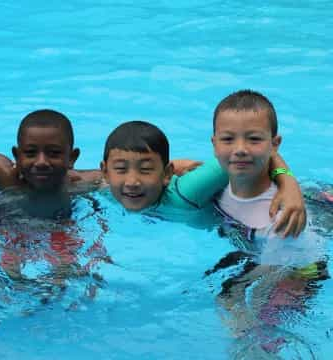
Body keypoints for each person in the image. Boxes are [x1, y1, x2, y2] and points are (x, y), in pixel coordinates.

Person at [208, 89, 327, 352]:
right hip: (259, 250)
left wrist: (234, 287)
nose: (239, 149)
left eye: (253, 139)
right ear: (214, 143)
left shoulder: (282, 217)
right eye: (228, 139)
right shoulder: (213, 184)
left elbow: (273, 269)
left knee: (256, 333)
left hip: (300, 269)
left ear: (275, 144)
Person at [100, 120, 306, 236]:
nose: (132, 182)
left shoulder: (187, 191)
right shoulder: (106, 190)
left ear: (166, 174)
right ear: (106, 173)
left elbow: (257, 151)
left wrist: (289, 184)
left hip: (305, 205)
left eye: (145, 170)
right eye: (120, 169)